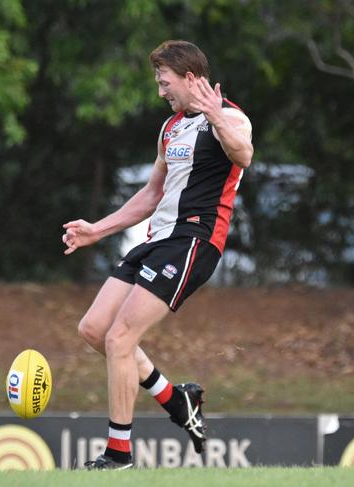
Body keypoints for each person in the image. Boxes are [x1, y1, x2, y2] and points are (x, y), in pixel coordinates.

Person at [62, 40, 253, 470]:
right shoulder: (170, 129)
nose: (160, 91)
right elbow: (152, 194)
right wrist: (99, 229)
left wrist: (215, 113)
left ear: (190, 78)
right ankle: (176, 398)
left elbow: (244, 154)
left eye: (164, 81)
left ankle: (119, 454)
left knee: (120, 338)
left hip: (195, 241)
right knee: (94, 329)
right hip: (157, 239)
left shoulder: (229, 116)